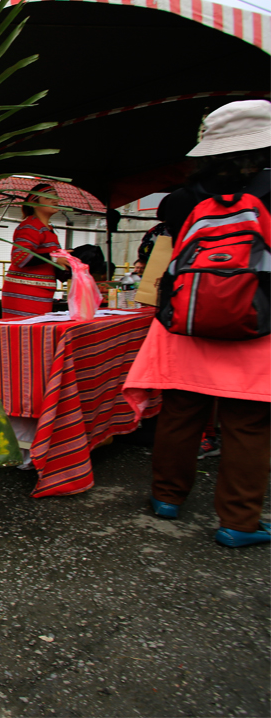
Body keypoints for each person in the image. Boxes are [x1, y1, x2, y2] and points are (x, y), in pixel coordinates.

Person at [125, 99, 270, 548]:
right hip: (254, 324)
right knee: (247, 423)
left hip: (185, 322)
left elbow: (169, 257)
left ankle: (167, 497)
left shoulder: (186, 198)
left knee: (181, 412)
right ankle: (238, 522)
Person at [0, 183, 65, 319]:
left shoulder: (49, 230)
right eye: (48, 197)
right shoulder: (30, 226)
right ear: (34, 204)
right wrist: (54, 258)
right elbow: (20, 258)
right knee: (26, 334)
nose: (55, 200)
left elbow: (48, 261)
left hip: (40, 293)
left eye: (56, 197)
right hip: (24, 293)